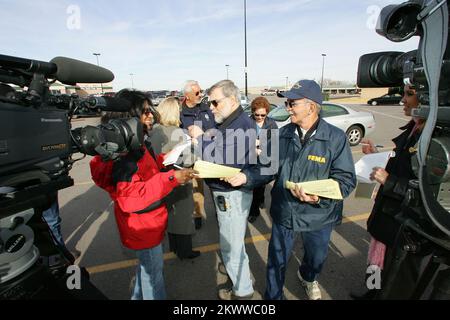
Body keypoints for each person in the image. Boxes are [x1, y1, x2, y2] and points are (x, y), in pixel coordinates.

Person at [226, 80, 356, 300]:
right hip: (285, 210)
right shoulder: (282, 134)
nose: (287, 107)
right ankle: (273, 297)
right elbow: (267, 168)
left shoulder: (335, 138)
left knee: (316, 258)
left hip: (319, 214)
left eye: (292, 103)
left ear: (311, 107)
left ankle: (307, 277)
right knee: (276, 259)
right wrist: (245, 177)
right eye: (287, 102)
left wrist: (318, 195)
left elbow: (346, 179)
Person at [90, 89, 196, 300]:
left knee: (146, 273)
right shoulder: (124, 154)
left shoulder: (134, 144)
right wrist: (172, 178)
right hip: (143, 225)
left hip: (148, 222)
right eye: (144, 111)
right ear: (127, 115)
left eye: (150, 110)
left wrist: (165, 159)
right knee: (153, 279)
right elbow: (131, 198)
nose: (150, 115)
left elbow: (146, 170)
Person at [351, 84, 424, 300]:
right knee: (376, 260)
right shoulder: (413, 128)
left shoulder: (433, 140)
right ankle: (371, 293)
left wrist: (389, 181)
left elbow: (426, 193)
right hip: (386, 215)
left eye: (409, 95)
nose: (403, 100)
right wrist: (375, 155)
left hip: (404, 225)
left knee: (394, 276)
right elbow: (399, 165)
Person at [189, 80, 257, 300]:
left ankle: (243, 292)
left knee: (232, 247)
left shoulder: (240, 125)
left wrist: (199, 137)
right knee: (234, 243)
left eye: (215, 102)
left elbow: (221, 160)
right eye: (210, 103)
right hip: (228, 193)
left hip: (231, 195)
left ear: (232, 100)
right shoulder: (231, 121)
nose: (211, 107)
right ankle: (239, 276)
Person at [149, 97, 200, 260]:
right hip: (178, 179)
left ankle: (174, 247)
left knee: (170, 214)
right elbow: (188, 159)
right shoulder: (176, 133)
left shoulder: (155, 130)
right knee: (183, 216)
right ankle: (185, 251)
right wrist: (195, 145)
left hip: (161, 179)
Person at [180, 80, 216, 230]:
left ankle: (220, 212)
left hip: (211, 153)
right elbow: (185, 133)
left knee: (216, 186)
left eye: (201, 91)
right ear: (187, 96)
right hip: (194, 157)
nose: (201, 94)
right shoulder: (181, 113)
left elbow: (214, 127)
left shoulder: (205, 107)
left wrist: (205, 134)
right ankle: (198, 214)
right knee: (197, 188)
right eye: (197, 93)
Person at [247, 97, 278, 223]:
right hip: (250, 157)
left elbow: (275, 143)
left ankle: (257, 205)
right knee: (253, 185)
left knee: (261, 185)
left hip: (265, 158)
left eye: (263, 115)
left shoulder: (271, 124)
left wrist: (262, 147)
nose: (259, 117)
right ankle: (254, 209)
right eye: (257, 114)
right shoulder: (247, 122)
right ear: (253, 112)